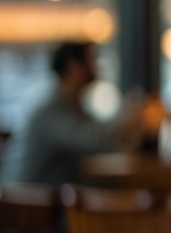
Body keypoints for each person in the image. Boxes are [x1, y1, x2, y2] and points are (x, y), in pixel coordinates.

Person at [0, 42, 141, 185]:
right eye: (91, 59)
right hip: (27, 196)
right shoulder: (52, 108)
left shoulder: (70, 103)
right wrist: (130, 118)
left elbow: (102, 139)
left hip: (51, 193)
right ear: (74, 66)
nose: (97, 66)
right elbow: (93, 140)